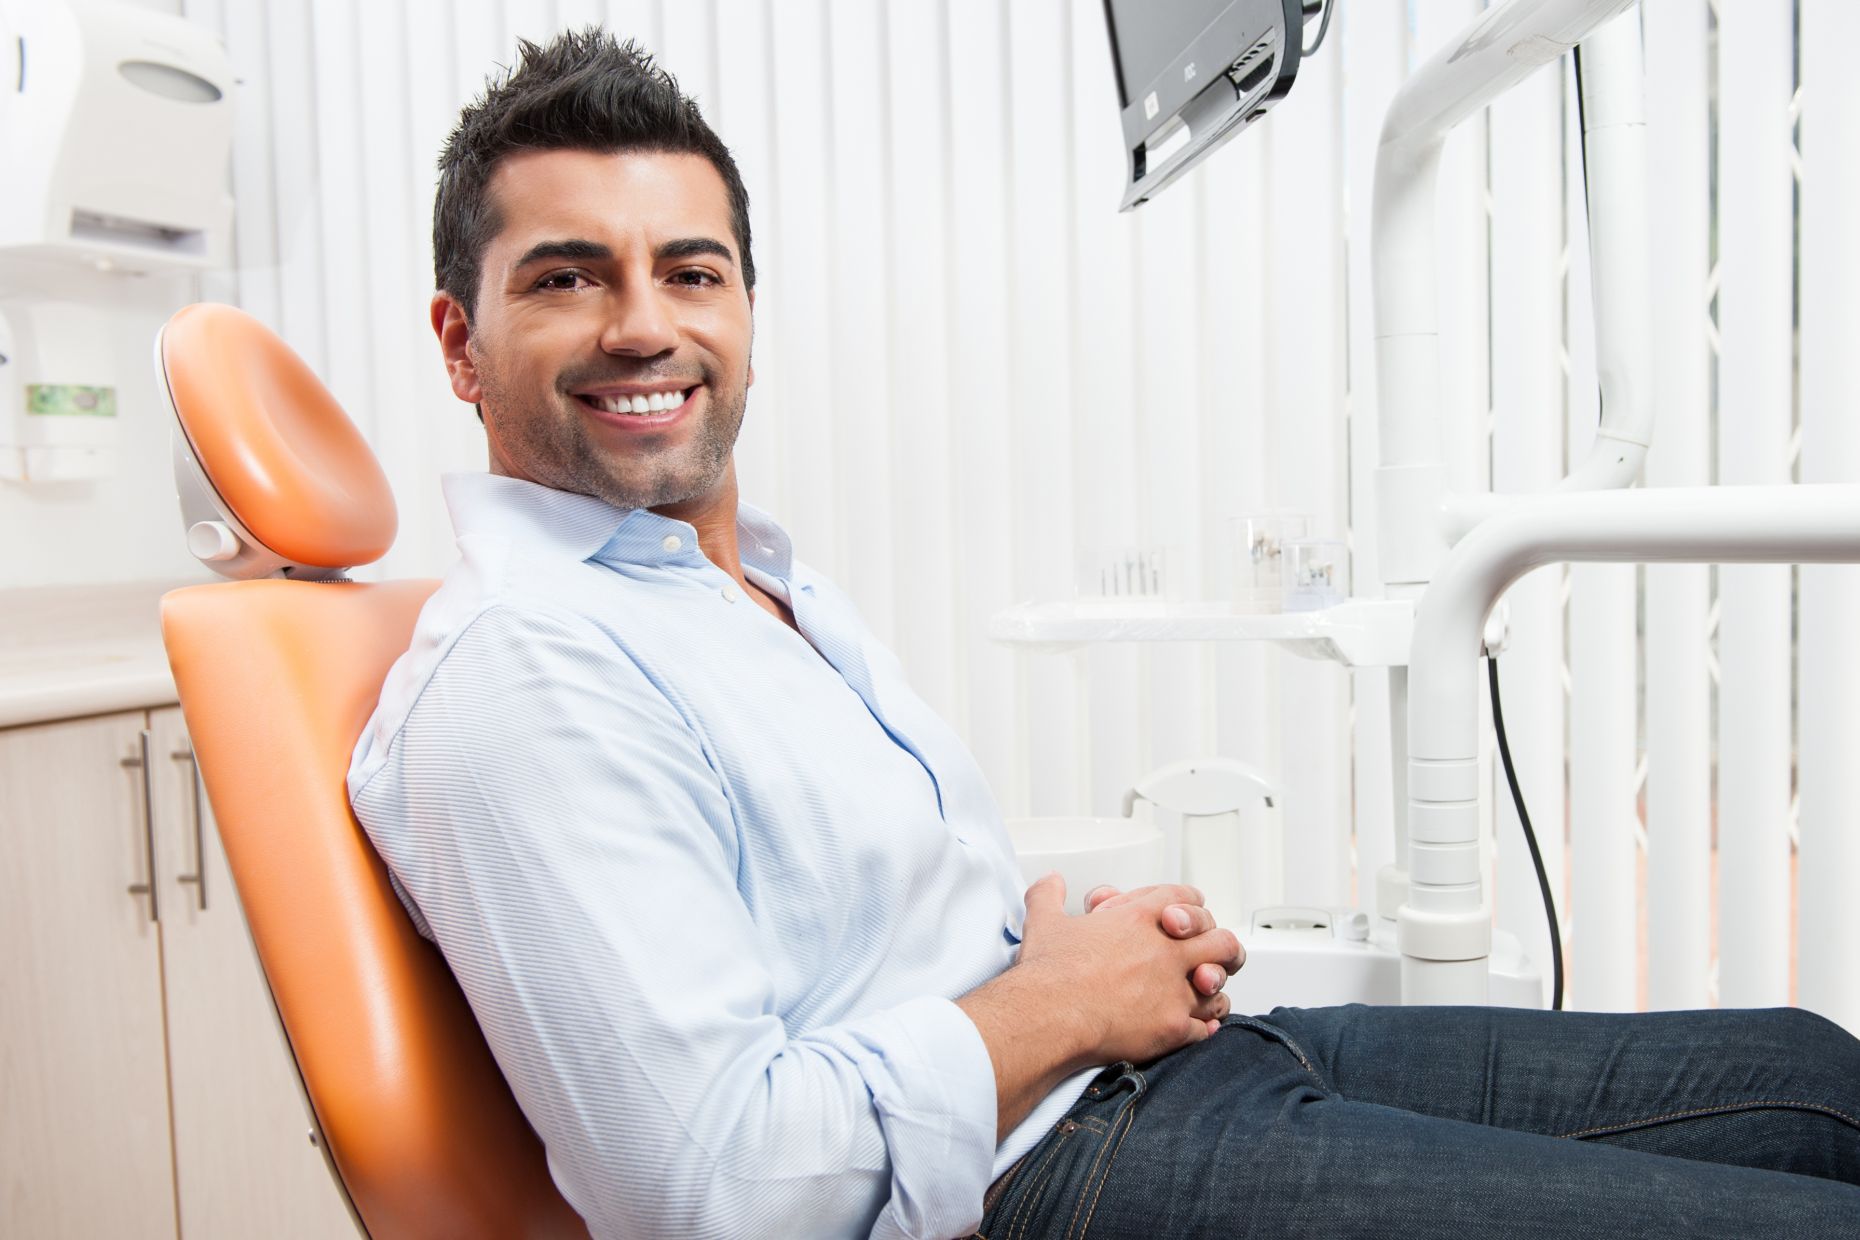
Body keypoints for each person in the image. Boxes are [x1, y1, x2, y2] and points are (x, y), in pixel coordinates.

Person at [347, 29, 1860, 1239]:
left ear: (745, 306)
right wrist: (1056, 1000)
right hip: (1028, 1183)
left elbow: (855, 945)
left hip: (1121, 1073)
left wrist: (1069, 948)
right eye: (565, 279)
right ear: (459, 344)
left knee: (1810, 1078)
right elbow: (714, 1191)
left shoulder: (750, 585)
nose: (643, 324)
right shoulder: (525, 676)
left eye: (690, 271)